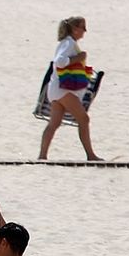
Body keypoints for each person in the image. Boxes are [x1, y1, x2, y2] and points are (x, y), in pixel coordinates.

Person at [38, 16, 101, 161]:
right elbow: (60, 62)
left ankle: (42, 156)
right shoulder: (69, 43)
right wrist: (79, 57)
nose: (85, 31)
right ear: (74, 29)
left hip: (56, 89)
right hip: (63, 89)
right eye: (83, 27)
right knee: (83, 119)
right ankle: (90, 155)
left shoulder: (66, 43)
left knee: (54, 123)